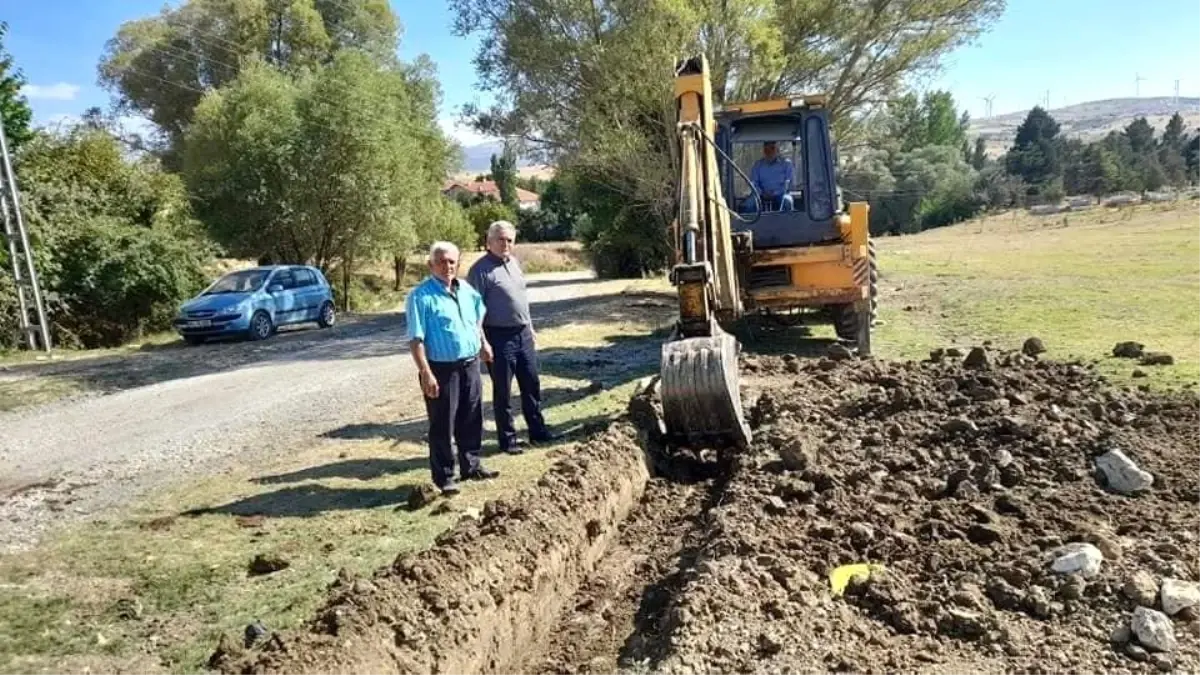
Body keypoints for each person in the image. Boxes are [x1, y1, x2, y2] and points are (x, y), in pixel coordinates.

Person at [405, 241, 498, 495]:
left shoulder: (466, 290)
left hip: (470, 364)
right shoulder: (420, 296)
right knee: (442, 424)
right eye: (442, 261)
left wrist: (483, 342)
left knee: (472, 417)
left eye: (452, 261)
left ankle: (472, 464)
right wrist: (426, 373)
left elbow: (477, 315)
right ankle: (445, 476)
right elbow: (416, 339)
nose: (448, 266)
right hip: (441, 369)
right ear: (431, 264)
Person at [467, 220, 558, 454]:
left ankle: (538, 431)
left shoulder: (515, 263)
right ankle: (508, 441)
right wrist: (482, 342)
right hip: (497, 337)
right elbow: (473, 311)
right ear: (489, 242)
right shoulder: (480, 270)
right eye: (500, 239)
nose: (505, 243)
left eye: (509, 239)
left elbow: (522, 301)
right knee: (503, 392)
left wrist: (531, 326)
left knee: (531, 385)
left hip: (523, 334)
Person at [749, 141, 795, 212]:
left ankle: (786, 223)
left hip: (781, 194)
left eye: (772, 148)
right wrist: (762, 193)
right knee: (748, 204)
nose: (769, 152)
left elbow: (790, 183)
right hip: (761, 195)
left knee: (787, 201)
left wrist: (775, 193)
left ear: (777, 150)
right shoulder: (757, 165)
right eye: (766, 150)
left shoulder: (786, 164)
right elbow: (753, 183)